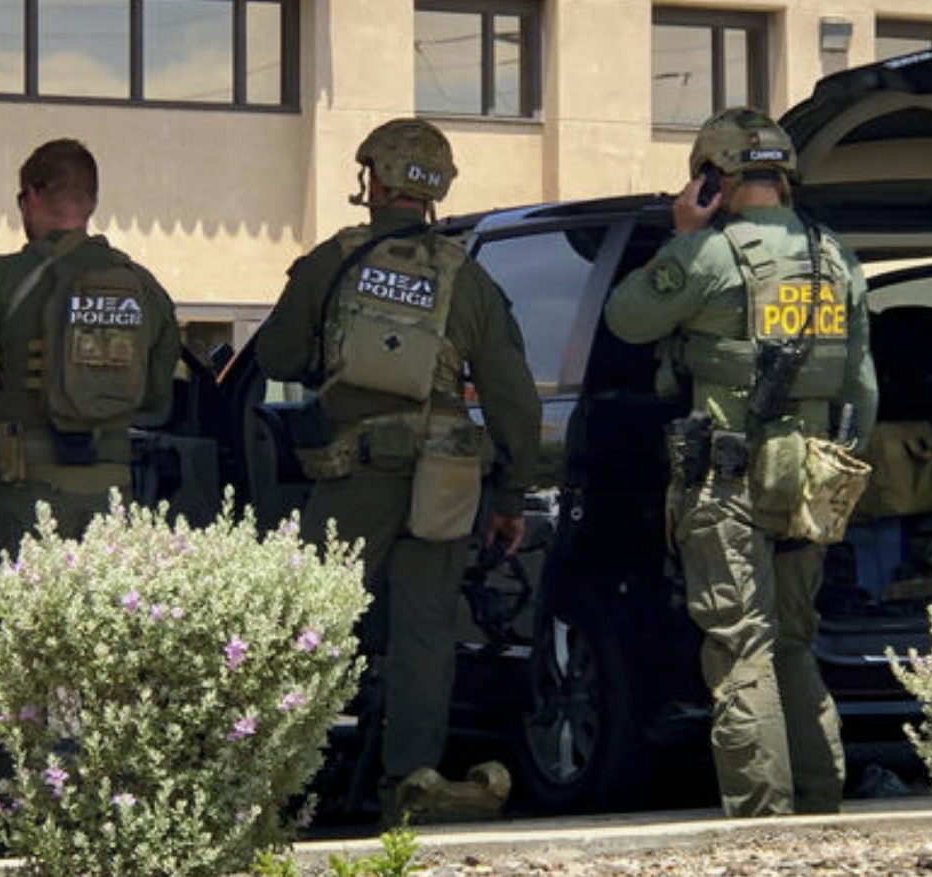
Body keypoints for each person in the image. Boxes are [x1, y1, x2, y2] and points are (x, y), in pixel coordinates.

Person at [256, 118, 540, 821]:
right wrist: (509, 494)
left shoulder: (333, 261)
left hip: (355, 473)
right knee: (423, 635)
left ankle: (279, 781)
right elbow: (514, 401)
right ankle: (409, 787)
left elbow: (274, 358)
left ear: (375, 180)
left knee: (311, 624)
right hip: (445, 480)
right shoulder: (468, 278)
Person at [604, 108, 878, 817]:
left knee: (741, 641)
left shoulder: (712, 253)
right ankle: (820, 799)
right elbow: (863, 388)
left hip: (726, 477)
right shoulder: (836, 256)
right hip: (810, 475)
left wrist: (682, 235)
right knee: (794, 640)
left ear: (712, 176)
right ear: (783, 173)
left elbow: (627, 318)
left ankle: (763, 815)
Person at [0, 138, 180, 680]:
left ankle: (17, 767)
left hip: (21, 495)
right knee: (102, 657)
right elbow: (159, 398)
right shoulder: (142, 288)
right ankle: (92, 765)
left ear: (32, 197)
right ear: (90, 201)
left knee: (10, 658)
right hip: (111, 496)